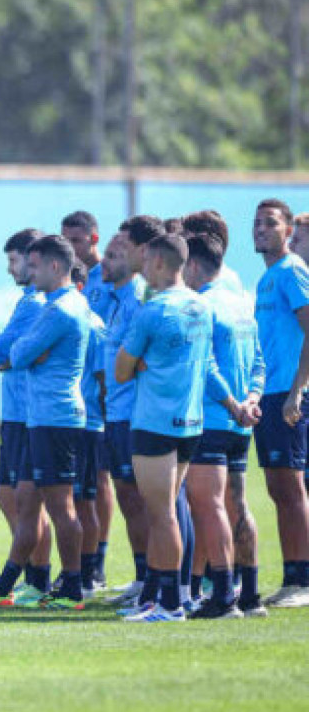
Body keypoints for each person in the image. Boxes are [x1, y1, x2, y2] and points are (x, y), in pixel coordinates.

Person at [0, 235, 90, 611]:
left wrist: (23, 354)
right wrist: (24, 354)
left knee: (60, 507)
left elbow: (16, 354)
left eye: (34, 265)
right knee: (28, 503)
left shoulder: (60, 310)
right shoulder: (60, 306)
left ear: (55, 266)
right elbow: (18, 354)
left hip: (55, 417)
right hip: (43, 417)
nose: (28, 272)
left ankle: (72, 588)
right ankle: (8, 582)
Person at [116, 234, 231, 622]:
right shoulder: (202, 305)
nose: (143, 269)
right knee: (167, 510)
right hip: (190, 426)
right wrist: (232, 403)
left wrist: (142, 363)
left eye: (146, 262)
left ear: (161, 264)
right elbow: (208, 365)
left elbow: (120, 370)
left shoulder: (153, 310)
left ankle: (169, 604)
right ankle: (168, 598)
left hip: (154, 423)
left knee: (162, 514)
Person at [183, 233, 266, 618]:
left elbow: (205, 366)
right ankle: (249, 595)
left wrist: (234, 404)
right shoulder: (241, 305)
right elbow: (259, 363)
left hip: (214, 418)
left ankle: (223, 597)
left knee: (208, 505)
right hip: (241, 423)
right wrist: (251, 399)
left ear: (194, 265)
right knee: (236, 504)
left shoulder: (201, 305)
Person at [0, 228, 51, 599]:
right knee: (7, 496)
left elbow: (0, 350)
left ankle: (38, 579)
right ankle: (34, 575)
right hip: (15, 414)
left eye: (14, 261)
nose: (10, 269)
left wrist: (4, 354)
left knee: (27, 501)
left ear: (33, 258)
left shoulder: (34, 303)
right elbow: (0, 352)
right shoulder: (27, 300)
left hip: (28, 415)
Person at [101, 218, 163, 605]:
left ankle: (158, 580)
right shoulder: (117, 299)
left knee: (143, 500)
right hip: (115, 413)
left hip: (134, 414)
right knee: (127, 498)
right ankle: (144, 575)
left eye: (115, 252)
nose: (106, 261)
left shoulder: (140, 298)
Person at [251, 198, 309, 607]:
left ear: (289, 230)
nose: (261, 229)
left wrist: (297, 390)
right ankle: (292, 578)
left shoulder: (292, 271)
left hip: (288, 395)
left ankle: (303, 582)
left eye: (270, 223)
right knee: (278, 488)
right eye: (256, 223)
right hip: (270, 394)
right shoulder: (268, 277)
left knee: (292, 488)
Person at [72, 261, 107, 596]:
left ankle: (87, 575)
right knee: (72, 499)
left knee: (85, 501)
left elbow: (103, 380)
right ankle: (75, 572)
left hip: (88, 424)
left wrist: (106, 423)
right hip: (69, 424)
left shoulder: (94, 325)